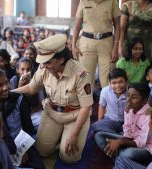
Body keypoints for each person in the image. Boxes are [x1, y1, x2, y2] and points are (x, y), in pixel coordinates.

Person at [13, 34, 93, 163]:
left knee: (69, 158)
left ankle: (66, 136)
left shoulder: (80, 74)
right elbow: (31, 88)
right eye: (43, 62)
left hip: (74, 116)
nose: (43, 66)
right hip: (52, 112)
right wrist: (10, 92)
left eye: (48, 62)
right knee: (41, 151)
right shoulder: (44, 67)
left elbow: (85, 107)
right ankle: (60, 137)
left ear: (61, 59)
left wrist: (74, 135)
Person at [0, 68, 45, 169]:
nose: (6, 87)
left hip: (23, 145)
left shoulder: (18, 99)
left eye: (7, 83)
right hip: (0, 150)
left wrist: (22, 150)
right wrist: (8, 152)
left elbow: (28, 127)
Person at [94, 83, 152, 166]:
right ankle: (121, 159)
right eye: (128, 95)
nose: (128, 100)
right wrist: (120, 141)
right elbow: (127, 130)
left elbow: (142, 143)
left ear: (144, 100)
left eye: (134, 97)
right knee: (99, 136)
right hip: (130, 140)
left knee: (129, 154)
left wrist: (119, 143)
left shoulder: (149, 115)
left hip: (145, 148)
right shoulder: (129, 108)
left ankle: (120, 158)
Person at [72, 0, 120, 89]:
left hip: (107, 44)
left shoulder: (112, 2)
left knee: (107, 79)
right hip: (86, 44)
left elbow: (117, 25)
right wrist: (73, 46)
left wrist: (116, 47)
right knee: (86, 79)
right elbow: (77, 26)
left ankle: (107, 102)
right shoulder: (84, 1)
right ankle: (87, 102)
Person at [91, 68, 128, 135]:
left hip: (127, 122)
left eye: (121, 82)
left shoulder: (131, 92)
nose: (117, 86)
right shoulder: (105, 91)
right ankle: (119, 137)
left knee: (134, 131)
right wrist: (100, 121)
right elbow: (102, 106)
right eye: (114, 83)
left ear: (126, 81)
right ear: (110, 83)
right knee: (95, 126)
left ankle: (115, 137)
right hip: (110, 120)